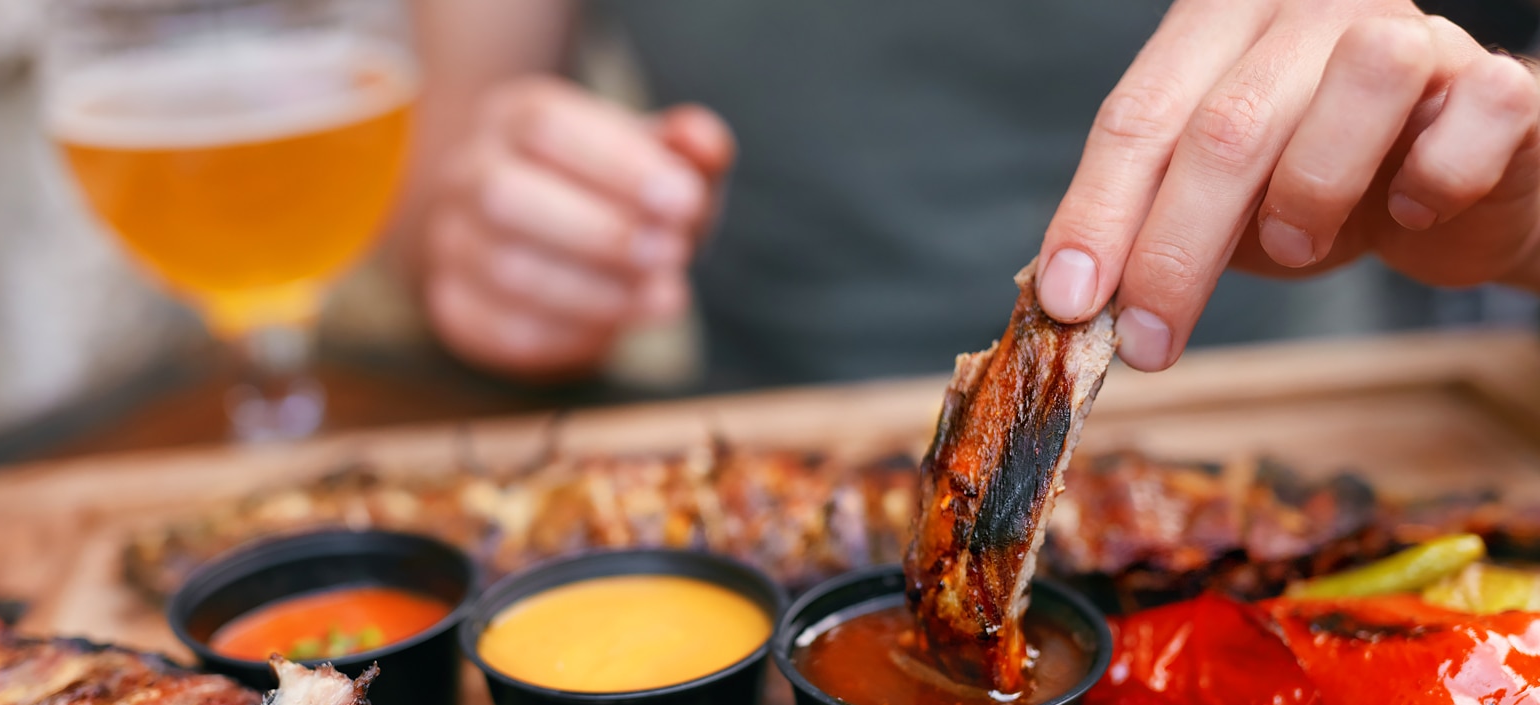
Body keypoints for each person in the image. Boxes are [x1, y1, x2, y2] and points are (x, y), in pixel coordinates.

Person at [394, 0, 1540, 387]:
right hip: (763, 427)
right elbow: (431, 167)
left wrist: (1512, 209)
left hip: (1295, 403)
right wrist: (490, 230)